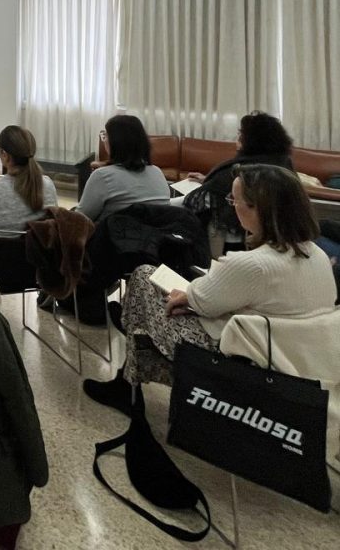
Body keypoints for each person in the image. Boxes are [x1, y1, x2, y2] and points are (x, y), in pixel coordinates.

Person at [84, 164, 337, 412]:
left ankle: (127, 383)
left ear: (257, 208)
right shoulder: (317, 255)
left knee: (144, 278)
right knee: (157, 301)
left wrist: (190, 299)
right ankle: (127, 377)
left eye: (234, 200)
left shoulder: (252, 264)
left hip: (238, 360)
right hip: (295, 359)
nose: (232, 206)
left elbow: (203, 301)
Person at [182, 111, 294, 248]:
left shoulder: (242, 169)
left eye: (241, 134)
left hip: (236, 238)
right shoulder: (282, 162)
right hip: (280, 234)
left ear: (251, 140)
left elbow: (201, 200)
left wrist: (210, 185)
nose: (238, 138)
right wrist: (207, 180)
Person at [75, 115, 170, 222]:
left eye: (105, 135)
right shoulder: (157, 172)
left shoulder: (102, 176)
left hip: (113, 232)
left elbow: (80, 220)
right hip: (156, 231)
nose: (104, 140)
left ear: (115, 142)